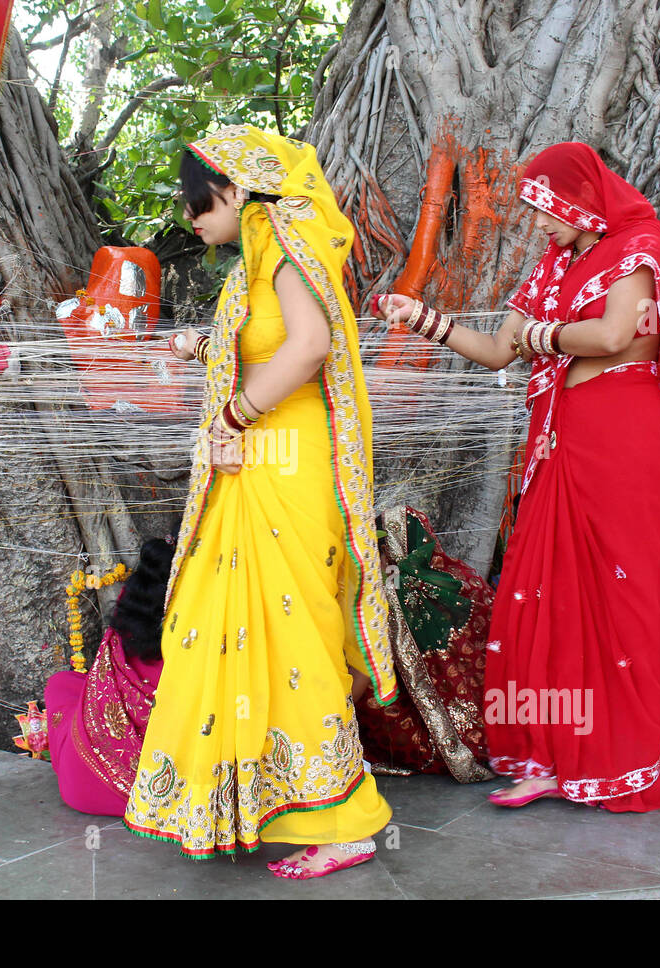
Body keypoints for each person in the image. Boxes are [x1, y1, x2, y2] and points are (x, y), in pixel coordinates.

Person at [377, 142, 660, 812]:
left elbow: (614, 337)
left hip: (620, 438)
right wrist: (423, 319)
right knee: (547, 600)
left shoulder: (638, 244)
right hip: (561, 440)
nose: (539, 224)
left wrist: (544, 337)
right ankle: (552, 757)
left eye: (547, 210)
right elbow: (496, 351)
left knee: (617, 599)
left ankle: (618, 764)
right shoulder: (553, 267)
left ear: (581, 197)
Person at [125, 125, 398, 878]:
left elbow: (307, 347)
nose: (190, 218)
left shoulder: (282, 234)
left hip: (283, 457)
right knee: (220, 625)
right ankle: (248, 798)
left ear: (236, 184)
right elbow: (268, 343)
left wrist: (234, 416)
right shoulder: (255, 256)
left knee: (294, 636)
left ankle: (345, 820)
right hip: (256, 460)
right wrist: (205, 349)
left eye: (195, 199)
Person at [355, 505, 494, 781]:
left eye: (378, 551)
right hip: (490, 723)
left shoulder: (387, 598)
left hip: (413, 736)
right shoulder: (459, 583)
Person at [44, 538, 173, 816]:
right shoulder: (199, 614)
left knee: (61, 683)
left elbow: (108, 667)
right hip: (166, 798)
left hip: (79, 788)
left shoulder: (135, 597)